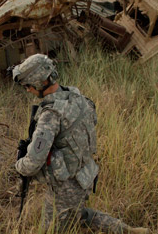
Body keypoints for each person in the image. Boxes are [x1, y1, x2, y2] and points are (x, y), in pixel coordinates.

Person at [12, 54, 149, 233]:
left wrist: (18, 166)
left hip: (65, 186)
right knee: (80, 216)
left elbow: (33, 162)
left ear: (40, 82)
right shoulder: (77, 97)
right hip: (85, 174)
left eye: (28, 86)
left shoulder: (50, 115)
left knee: (52, 229)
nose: (28, 90)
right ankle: (130, 231)